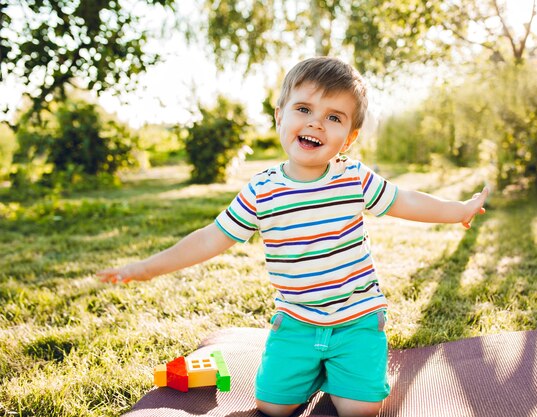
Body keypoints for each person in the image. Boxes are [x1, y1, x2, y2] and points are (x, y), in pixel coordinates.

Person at [98, 56, 488, 417]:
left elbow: (405, 200)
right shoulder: (261, 190)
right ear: (280, 116)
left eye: (333, 117)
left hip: (356, 320)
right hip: (297, 321)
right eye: (304, 109)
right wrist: (147, 267)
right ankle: (316, 371)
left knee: (360, 411)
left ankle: (342, 371)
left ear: (349, 138)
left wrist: (458, 210)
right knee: (272, 408)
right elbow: (210, 238)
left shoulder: (353, 178)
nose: (316, 123)